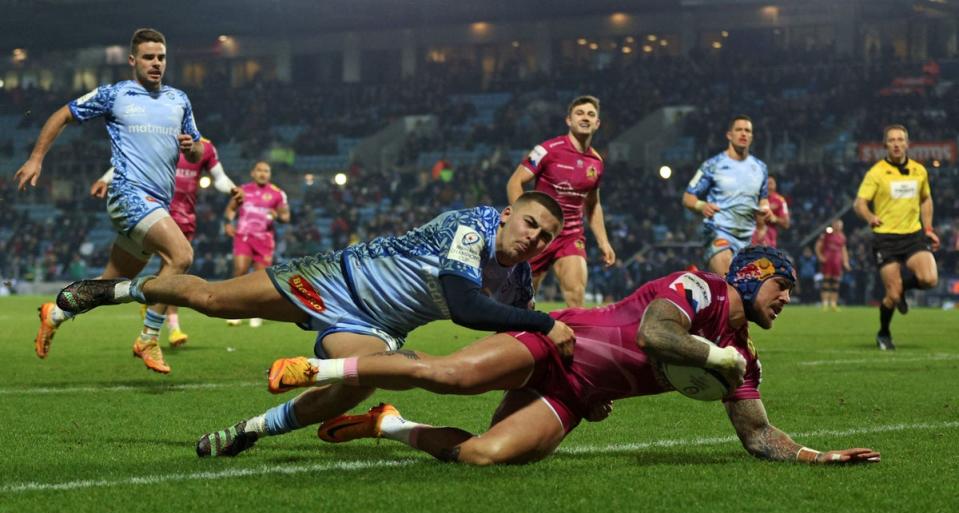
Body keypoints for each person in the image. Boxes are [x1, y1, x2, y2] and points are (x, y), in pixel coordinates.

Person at [56, 192, 576, 456]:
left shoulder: (519, 283)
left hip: (377, 326)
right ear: (508, 214)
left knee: (356, 383)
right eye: (530, 223)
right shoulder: (474, 226)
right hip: (333, 280)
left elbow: (510, 340)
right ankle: (108, 290)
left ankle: (248, 431)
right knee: (212, 299)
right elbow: (465, 305)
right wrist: (543, 321)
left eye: (546, 236)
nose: (534, 238)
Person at [268, 246, 879, 467]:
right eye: (783, 287)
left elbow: (756, 435)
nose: (787, 301)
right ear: (752, 278)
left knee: (482, 456)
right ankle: (319, 370)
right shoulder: (702, 290)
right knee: (451, 376)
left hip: (576, 394)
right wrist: (715, 356)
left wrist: (816, 455)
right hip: (557, 342)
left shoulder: (741, 355)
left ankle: (388, 423)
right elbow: (654, 336)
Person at [16, 28, 203, 374]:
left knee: (104, 287)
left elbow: (199, 146)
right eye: (149, 57)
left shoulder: (179, 100)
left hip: (157, 203)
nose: (156, 63)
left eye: (161, 57)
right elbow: (63, 115)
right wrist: (36, 158)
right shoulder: (115, 95)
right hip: (129, 194)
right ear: (132, 61)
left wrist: (193, 147)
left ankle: (54, 313)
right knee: (181, 256)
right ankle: (149, 337)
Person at [91, 138, 243, 346]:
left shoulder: (204, 148)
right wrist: (105, 179)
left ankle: (62, 309)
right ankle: (160, 322)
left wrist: (232, 189)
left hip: (185, 217)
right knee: (169, 268)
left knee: (171, 271)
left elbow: (219, 178)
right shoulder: (159, 137)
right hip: (153, 212)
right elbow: (130, 160)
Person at [506, 95, 615, 307]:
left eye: (591, 114)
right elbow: (514, 182)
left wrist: (603, 241)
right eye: (580, 113)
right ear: (569, 120)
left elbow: (592, 204)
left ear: (597, 123)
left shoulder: (596, 162)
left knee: (576, 295)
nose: (585, 118)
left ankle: (573, 340)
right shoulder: (548, 150)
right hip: (539, 234)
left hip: (571, 235)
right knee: (523, 302)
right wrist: (523, 222)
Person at [853, 124, 940, 351]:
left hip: (913, 235)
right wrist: (870, 216)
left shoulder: (919, 171)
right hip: (886, 238)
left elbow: (926, 199)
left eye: (900, 139)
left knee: (930, 279)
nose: (896, 144)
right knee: (891, 295)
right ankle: (884, 333)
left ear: (907, 143)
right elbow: (859, 203)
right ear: (885, 145)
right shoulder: (876, 172)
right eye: (891, 140)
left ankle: (903, 289)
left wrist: (928, 229)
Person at [683, 115, 770, 275]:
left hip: (748, 238)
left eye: (747, 130)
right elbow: (688, 197)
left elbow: (763, 198)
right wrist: (701, 205)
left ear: (751, 136)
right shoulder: (713, 165)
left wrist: (765, 207)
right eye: (739, 130)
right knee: (728, 283)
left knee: (749, 294)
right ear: (729, 135)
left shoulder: (760, 168)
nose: (743, 134)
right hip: (719, 233)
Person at [223, 161, 290, 327]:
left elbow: (286, 217)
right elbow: (231, 209)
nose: (263, 174)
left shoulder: (277, 194)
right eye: (259, 170)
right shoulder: (243, 190)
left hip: (265, 239)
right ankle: (235, 311)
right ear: (253, 173)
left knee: (259, 278)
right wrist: (228, 223)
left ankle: (257, 312)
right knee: (240, 271)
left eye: (266, 171)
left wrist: (277, 215)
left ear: (270, 174)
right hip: (243, 236)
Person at [814, 220, 851, 311]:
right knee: (826, 282)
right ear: (833, 225)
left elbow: (843, 250)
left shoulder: (842, 237)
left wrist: (846, 262)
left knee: (835, 283)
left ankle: (833, 303)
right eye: (837, 224)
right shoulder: (827, 234)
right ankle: (825, 303)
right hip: (828, 261)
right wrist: (820, 256)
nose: (838, 226)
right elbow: (818, 245)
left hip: (837, 262)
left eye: (840, 225)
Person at [751, 176, 790, 247]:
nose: (769, 187)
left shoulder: (780, 201)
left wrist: (775, 218)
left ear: (775, 185)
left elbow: (786, 224)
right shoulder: (754, 198)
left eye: (771, 183)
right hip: (751, 236)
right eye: (766, 184)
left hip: (769, 239)